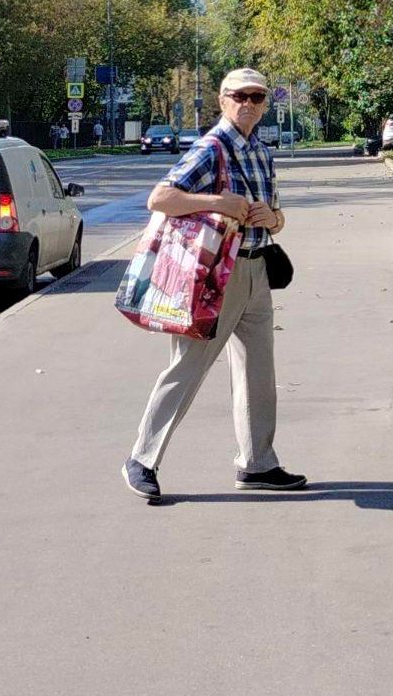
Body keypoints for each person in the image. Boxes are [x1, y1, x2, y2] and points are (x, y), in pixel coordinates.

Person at [122, 68, 304, 504]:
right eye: (239, 96)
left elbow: (276, 214)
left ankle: (257, 463)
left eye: (257, 97)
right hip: (215, 276)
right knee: (188, 367)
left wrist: (273, 218)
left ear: (265, 104)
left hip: (257, 271)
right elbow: (160, 198)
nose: (248, 104)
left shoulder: (261, 151)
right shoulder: (210, 148)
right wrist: (218, 202)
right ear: (222, 100)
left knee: (258, 372)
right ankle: (141, 459)